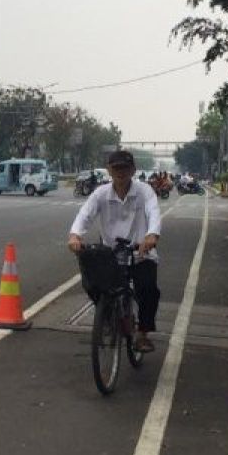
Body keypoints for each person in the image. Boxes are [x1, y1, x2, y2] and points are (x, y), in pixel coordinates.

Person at [67, 149, 162, 351]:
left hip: (140, 252)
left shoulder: (144, 191)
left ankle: (143, 333)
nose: (121, 172)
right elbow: (85, 214)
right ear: (109, 170)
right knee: (92, 282)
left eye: (125, 167)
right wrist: (75, 235)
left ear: (133, 170)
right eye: (116, 168)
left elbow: (153, 212)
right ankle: (108, 317)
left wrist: (152, 235)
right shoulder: (101, 193)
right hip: (111, 255)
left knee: (148, 289)